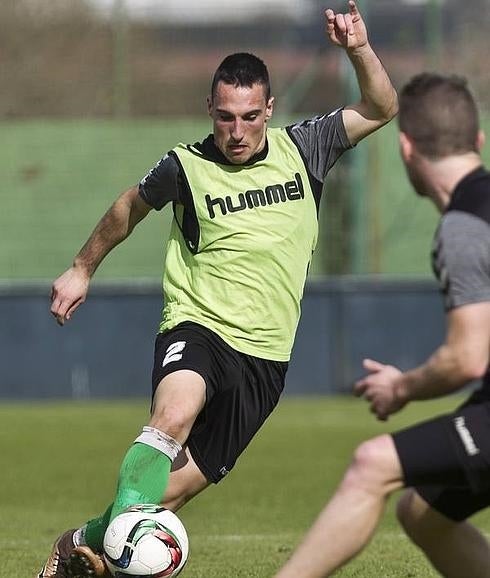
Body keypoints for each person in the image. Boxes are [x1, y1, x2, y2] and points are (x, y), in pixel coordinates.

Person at [36, 2, 397, 577]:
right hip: (197, 325)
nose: (237, 130)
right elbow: (130, 205)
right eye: (225, 116)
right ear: (210, 108)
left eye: (250, 116)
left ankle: (81, 544)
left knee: (171, 495)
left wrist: (357, 48)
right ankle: (113, 563)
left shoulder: (306, 148)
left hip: (265, 359)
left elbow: (382, 106)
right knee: (172, 417)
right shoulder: (184, 166)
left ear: (269, 110)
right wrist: (82, 267)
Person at [274, 72, 490, 578]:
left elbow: (467, 356)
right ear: (478, 141)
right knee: (424, 513)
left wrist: (401, 387)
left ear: (406, 147)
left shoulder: (463, 228)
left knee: (372, 464)